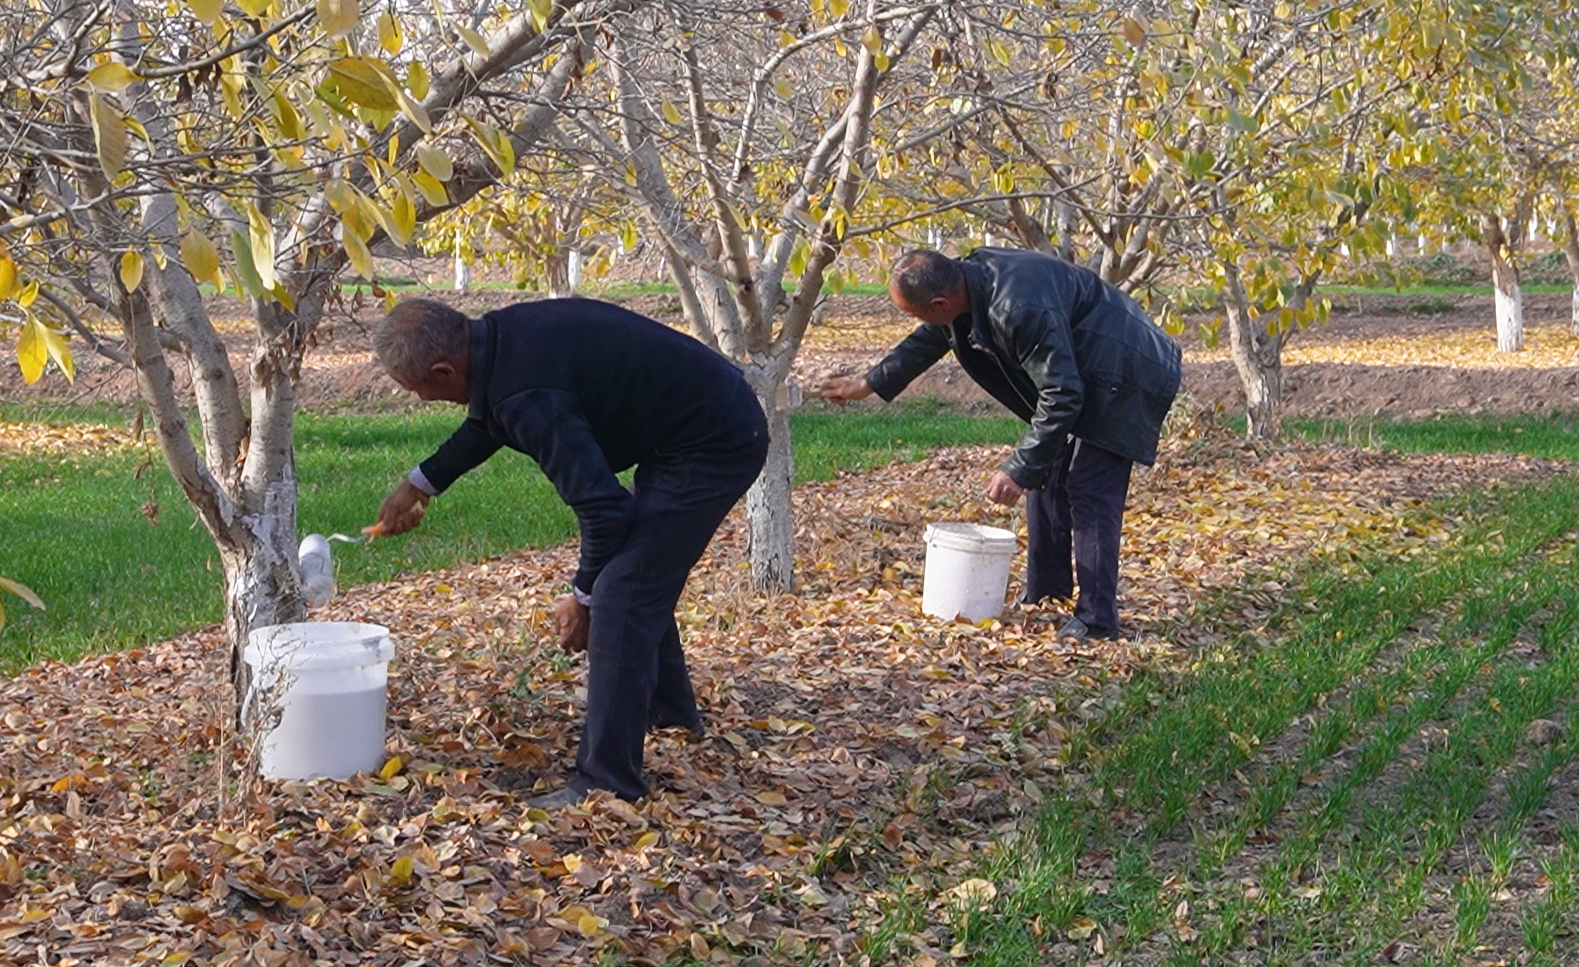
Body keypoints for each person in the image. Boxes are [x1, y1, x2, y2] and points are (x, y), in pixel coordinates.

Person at [370, 297, 769, 807]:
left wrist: (582, 598)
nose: (422, 399)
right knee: (636, 573)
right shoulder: (501, 339)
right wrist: (419, 483)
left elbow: (604, 512)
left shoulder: (526, 392)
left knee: (621, 591)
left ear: (444, 370)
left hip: (715, 441)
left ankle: (607, 781)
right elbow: (491, 418)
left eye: (418, 389)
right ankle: (669, 712)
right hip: (693, 424)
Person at [815, 248, 1182, 641]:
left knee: (1089, 488)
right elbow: (931, 336)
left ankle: (1097, 621)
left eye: (917, 313)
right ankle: (1047, 593)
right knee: (1047, 466)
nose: (919, 322)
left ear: (940, 302)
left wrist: (1016, 468)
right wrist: (869, 383)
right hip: (1087, 363)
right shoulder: (968, 279)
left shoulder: (1018, 307)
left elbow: (1062, 394)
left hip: (1127, 368)